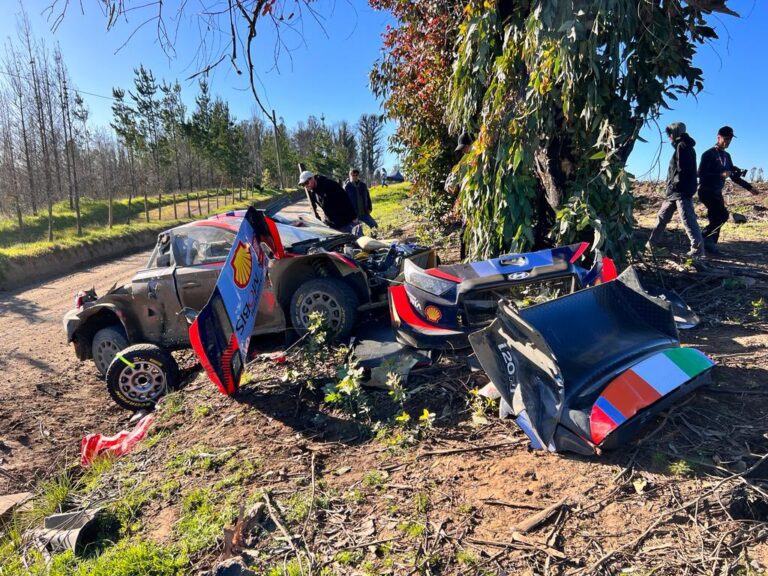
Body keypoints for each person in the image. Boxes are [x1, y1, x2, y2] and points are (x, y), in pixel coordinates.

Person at [647, 122, 705, 258]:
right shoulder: (683, 146)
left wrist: (674, 184)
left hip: (681, 192)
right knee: (662, 217)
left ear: (675, 133)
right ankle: (651, 244)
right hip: (674, 192)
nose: (669, 137)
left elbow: (682, 170)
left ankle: (697, 250)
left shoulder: (683, 146)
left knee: (688, 219)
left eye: (670, 134)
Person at [697, 125, 757, 255]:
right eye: (725, 138)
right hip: (706, 190)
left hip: (717, 191)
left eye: (730, 139)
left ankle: (710, 244)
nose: (728, 141)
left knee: (715, 218)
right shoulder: (708, 154)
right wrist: (720, 175)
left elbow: (733, 176)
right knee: (723, 215)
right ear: (718, 137)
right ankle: (702, 236)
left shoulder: (727, 156)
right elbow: (700, 173)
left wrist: (749, 187)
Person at [445, 132, 473, 260]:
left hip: (474, 205)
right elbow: (456, 184)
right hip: (467, 204)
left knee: (465, 234)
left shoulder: (476, 160)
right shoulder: (464, 163)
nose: (463, 152)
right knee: (463, 234)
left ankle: (466, 260)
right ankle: (464, 260)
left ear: (470, 145)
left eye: (464, 148)